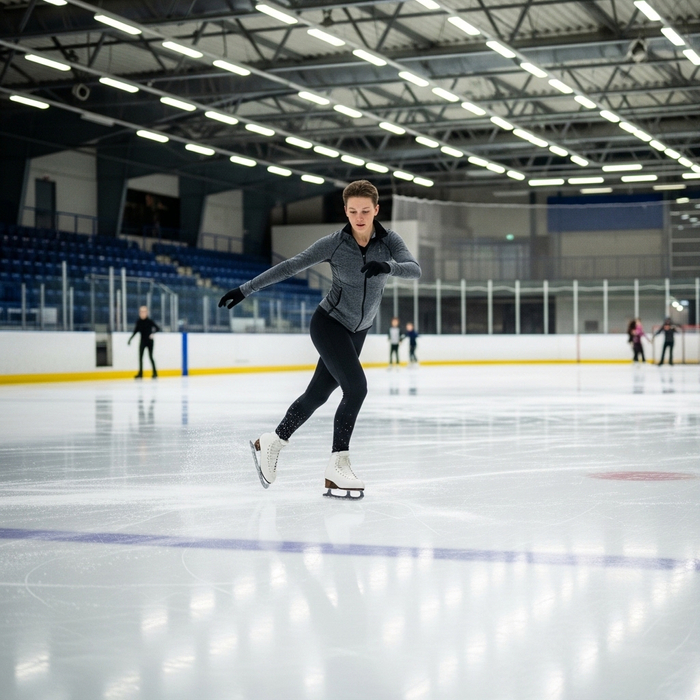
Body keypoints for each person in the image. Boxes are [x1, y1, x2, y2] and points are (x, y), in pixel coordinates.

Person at [218, 180, 421, 498]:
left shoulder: (389, 241)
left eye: (365, 211)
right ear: (345, 211)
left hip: (359, 332)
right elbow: (290, 266)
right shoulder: (335, 244)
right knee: (357, 389)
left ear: (376, 210)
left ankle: (273, 440)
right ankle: (338, 464)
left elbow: (414, 269)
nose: (359, 217)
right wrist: (245, 289)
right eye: (352, 211)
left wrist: (387, 266)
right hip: (329, 324)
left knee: (317, 396)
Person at [128, 306, 160, 379]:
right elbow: (135, 331)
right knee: (140, 358)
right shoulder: (139, 322)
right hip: (142, 341)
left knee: (151, 357)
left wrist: (152, 333)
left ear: (147, 312)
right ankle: (140, 373)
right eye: (141, 311)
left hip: (150, 341)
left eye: (144, 311)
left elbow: (158, 328)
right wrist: (130, 339)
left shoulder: (149, 321)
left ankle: (155, 373)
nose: (143, 313)